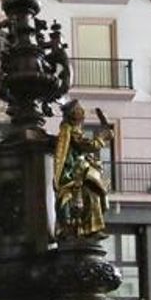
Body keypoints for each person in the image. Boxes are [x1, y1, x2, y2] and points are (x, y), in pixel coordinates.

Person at [53, 100, 112, 239]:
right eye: (80, 113)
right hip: (73, 174)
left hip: (81, 172)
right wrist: (102, 137)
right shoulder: (70, 130)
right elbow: (87, 146)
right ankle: (86, 228)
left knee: (93, 194)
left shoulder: (73, 130)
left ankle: (90, 228)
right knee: (91, 195)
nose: (83, 117)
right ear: (75, 116)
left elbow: (84, 151)